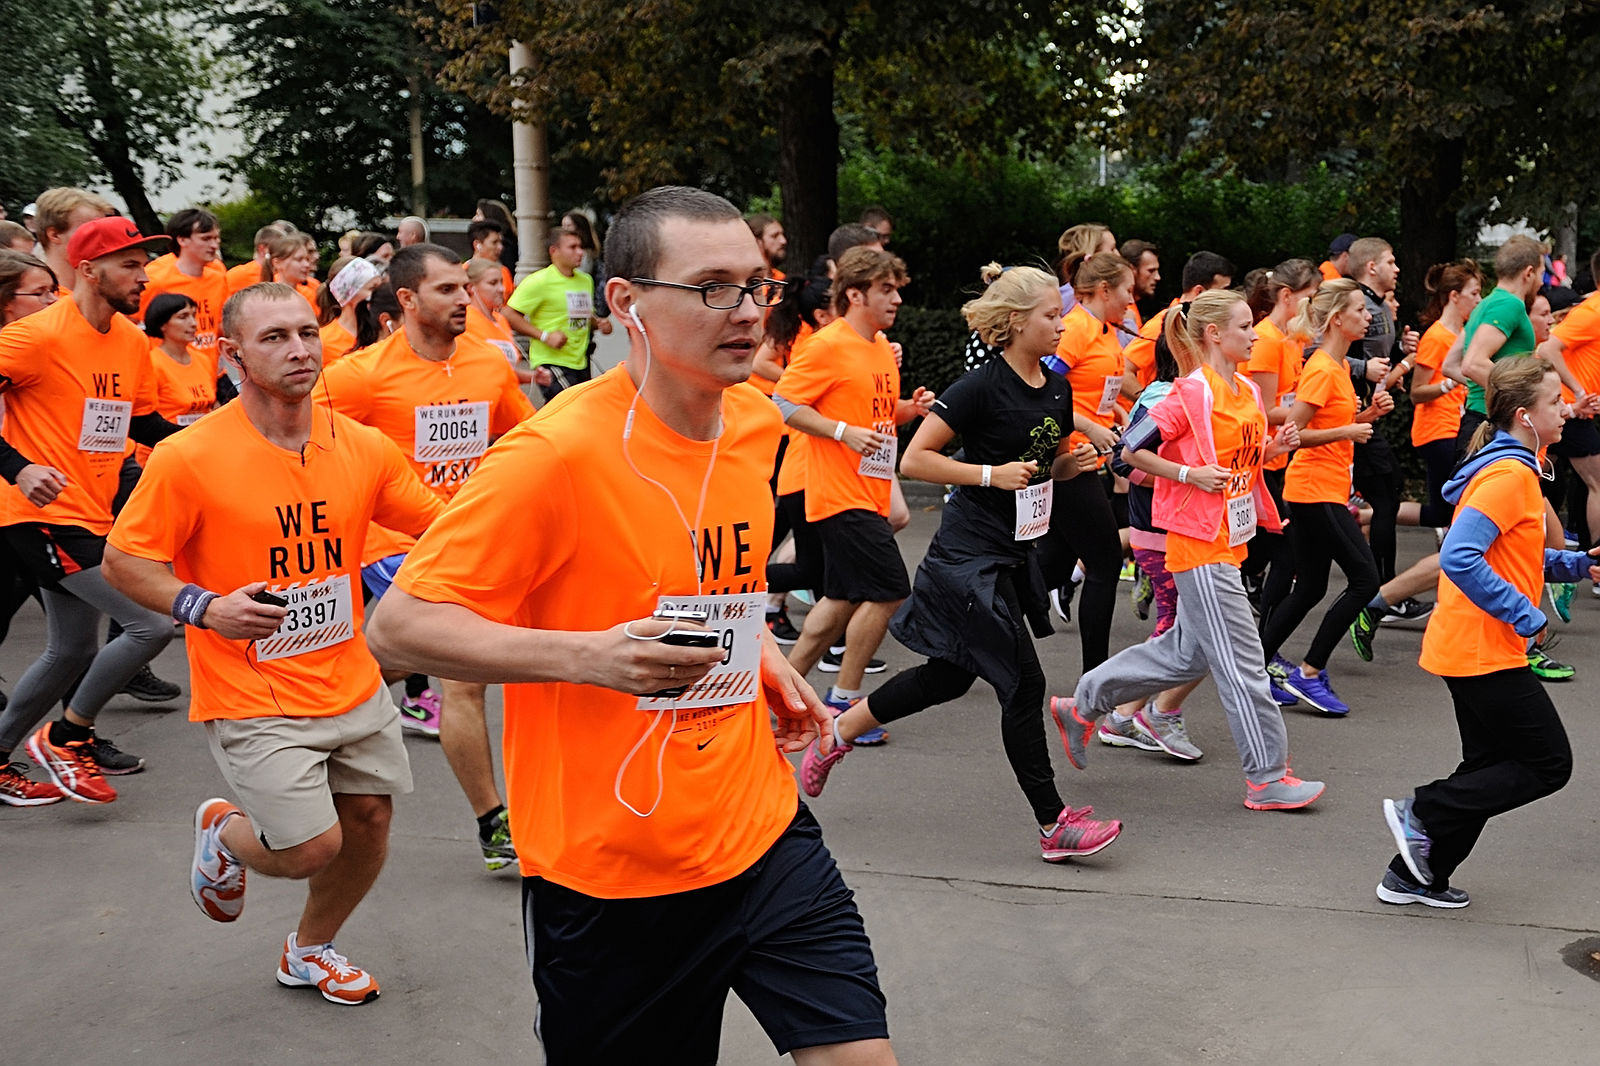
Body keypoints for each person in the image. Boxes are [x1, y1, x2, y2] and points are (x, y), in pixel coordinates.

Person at [365, 185, 895, 1063]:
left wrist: (760, 652)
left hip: (762, 832)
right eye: (712, 288)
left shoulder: (755, 424)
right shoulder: (554, 455)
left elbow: (702, 581)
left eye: (757, 285)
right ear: (625, 302)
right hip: (610, 879)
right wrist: (588, 656)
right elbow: (401, 628)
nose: (747, 310)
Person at [102, 280, 444, 1003]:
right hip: (250, 686)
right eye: (274, 338)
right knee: (310, 847)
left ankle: (310, 950)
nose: (299, 350)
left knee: (370, 821)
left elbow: (440, 524)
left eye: (306, 333)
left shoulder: (361, 447)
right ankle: (224, 834)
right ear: (230, 353)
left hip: (348, 674)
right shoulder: (190, 457)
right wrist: (204, 607)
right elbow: (126, 561)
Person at [800, 262, 1124, 857]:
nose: (1061, 324)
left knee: (949, 676)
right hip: (967, 555)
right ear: (1016, 321)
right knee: (1024, 685)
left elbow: (1035, 462)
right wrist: (988, 475)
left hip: (1012, 552)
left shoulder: (1056, 386)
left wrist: (1063, 468)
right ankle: (1056, 826)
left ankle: (836, 732)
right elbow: (915, 460)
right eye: (1051, 315)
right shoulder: (978, 386)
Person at [1053, 289, 1326, 811]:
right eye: (1245, 326)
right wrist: (1187, 474)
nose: (1255, 334)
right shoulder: (1187, 394)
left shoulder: (1244, 389)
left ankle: (1082, 704)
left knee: (1184, 653)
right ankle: (1266, 778)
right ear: (1213, 334)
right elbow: (1126, 454)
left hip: (1231, 541)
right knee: (1245, 664)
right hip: (1200, 547)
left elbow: (1236, 463)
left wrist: (1271, 450)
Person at [318, 243, 536, 869]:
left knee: (370, 671)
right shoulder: (362, 374)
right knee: (464, 679)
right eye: (447, 290)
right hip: (397, 547)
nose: (465, 299)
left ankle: (308, 710)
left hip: (473, 540)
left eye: (465, 287)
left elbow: (524, 441)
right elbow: (296, 438)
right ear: (407, 299)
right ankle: (494, 825)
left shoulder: (489, 366)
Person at [1379, 356, 1590, 908]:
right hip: (1483, 648)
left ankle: (1411, 875)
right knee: (1548, 764)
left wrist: (1575, 564)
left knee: (1487, 767)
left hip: (1474, 644)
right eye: (1554, 402)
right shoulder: (1509, 475)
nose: (1565, 408)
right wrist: (1527, 615)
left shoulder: (1514, 468)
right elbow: (1460, 556)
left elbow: (1515, 553)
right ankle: (1421, 810)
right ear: (1525, 415)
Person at [0, 216, 184, 801]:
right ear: (87, 269)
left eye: (144, 263)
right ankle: (67, 737)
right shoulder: (39, 335)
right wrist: (19, 468)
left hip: (93, 512)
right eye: (129, 265)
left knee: (72, 648)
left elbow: (137, 421)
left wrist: (219, 436)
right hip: (38, 515)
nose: (143, 276)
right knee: (150, 622)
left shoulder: (130, 340)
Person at [776, 247, 935, 738]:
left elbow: (876, 417)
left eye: (896, 289)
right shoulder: (828, 344)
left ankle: (777, 695)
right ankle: (845, 701)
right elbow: (781, 402)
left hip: (869, 490)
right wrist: (841, 432)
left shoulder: (880, 347)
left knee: (840, 601)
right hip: (837, 493)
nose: (896, 299)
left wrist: (910, 409)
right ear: (854, 293)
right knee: (890, 591)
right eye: (886, 290)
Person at [1259, 280, 1394, 715]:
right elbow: (1291, 435)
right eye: (1359, 309)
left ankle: (1254, 668)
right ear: (1338, 318)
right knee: (1365, 580)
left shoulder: (1334, 367)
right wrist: (1346, 430)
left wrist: (1364, 416)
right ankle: (1309, 672)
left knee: (1312, 587)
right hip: (1314, 490)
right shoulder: (1321, 368)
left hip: (1322, 488)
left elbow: (1331, 421)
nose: (1368, 315)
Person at [1040, 250, 1133, 671]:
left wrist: (1118, 417)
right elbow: (1042, 390)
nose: (1131, 300)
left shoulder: (1106, 330)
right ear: (1104, 290)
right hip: (1067, 457)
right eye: (1127, 291)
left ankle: (973, 611)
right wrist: (1090, 427)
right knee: (1105, 561)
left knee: (1054, 562)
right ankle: (1096, 676)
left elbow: (1099, 391)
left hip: (1090, 457)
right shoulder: (1075, 327)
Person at [1241, 258, 1320, 647]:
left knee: (1273, 554)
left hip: (1279, 459)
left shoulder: (1294, 338)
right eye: (1311, 297)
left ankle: (1258, 640)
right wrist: (1315, 407)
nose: (1317, 305)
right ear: (1287, 296)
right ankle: (1261, 644)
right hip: (1260, 462)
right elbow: (1265, 409)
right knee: (1285, 555)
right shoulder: (1267, 340)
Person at [1449, 234, 1545, 448]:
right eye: (1541, 274)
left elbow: (1450, 365)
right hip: (1492, 424)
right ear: (1528, 273)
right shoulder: (1509, 304)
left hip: (1478, 418)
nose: (1541, 282)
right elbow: (1472, 364)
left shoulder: (1484, 305)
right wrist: (1523, 399)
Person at [503, 228, 612, 400]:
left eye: (580, 247)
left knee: (573, 413)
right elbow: (508, 314)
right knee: (571, 407)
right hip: (551, 361)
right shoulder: (538, 281)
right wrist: (545, 336)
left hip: (580, 359)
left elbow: (581, 315)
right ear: (554, 251)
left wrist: (599, 323)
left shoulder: (585, 280)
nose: (580, 252)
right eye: (573, 247)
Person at [139, 293, 230, 463]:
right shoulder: (151, 363)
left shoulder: (203, 360)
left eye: (194, 316)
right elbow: (144, 420)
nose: (193, 323)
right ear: (162, 324)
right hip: (160, 456)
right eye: (183, 317)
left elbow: (213, 405)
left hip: (199, 451)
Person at [136, 208, 229, 370]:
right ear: (182, 240)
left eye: (216, 238)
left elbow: (221, 324)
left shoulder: (218, 275)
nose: (214, 245)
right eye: (206, 239)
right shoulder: (157, 279)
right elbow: (128, 322)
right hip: (172, 373)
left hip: (211, 371)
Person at [32, 187, 116, 291]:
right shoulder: (36, 298)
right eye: (89, 230)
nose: (101, 239)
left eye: (103, 230)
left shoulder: (110, 294)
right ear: (55, 235)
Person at [314, 255, 384, 363]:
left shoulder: (385, 329)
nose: (379, 294)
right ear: (349, 295)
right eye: (372, 288)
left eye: (380, 287)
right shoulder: (324, 341)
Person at [227, 222, 293, 294]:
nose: (283, 253)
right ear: (263, 249)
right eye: (279, 248)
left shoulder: (283, 276)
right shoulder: (238, 275)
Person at [1119, 238, 1160, 337]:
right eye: (1151, 271)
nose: (1158, 277)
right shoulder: (1122, 311)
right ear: (1131, 270)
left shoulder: (1130, 307)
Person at [467, 218, 515, 300]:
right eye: (494, 242)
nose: (500, 247)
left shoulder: (504, 271)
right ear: (477, 244)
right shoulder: (463, 272)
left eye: (501, 242)